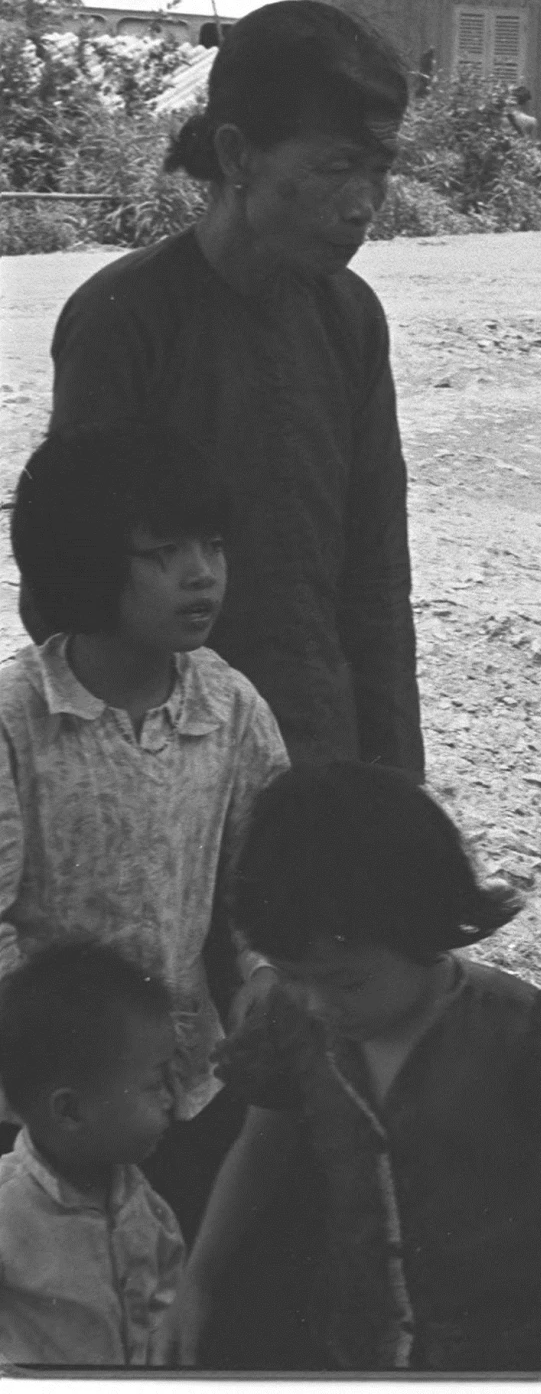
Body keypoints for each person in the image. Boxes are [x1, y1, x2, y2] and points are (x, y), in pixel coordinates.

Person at [43, 0, 424, 781]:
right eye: (334, 167)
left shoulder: (349, 319)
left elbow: (378, 576)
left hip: (318, 751)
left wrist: (395, 787)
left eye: (379, 169)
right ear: (238, 156)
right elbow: (67, 582)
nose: (364, 204)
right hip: (164, 771)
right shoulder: (126, 321)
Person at [165, 762, 541, 1371]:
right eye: (296, 979)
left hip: (516, 1355)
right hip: (360, 1354)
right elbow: (256, 1157)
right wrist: (198, 1282)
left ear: (420, 927)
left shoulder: (524, 1030)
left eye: (346, 982)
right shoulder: (291, 1026)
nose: (317, 1005)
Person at [0, 423, 288, 1239]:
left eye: (214, 544)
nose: (200, 574)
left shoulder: (228, 708)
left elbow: (265, 880)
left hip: (183, 1089)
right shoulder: (19, 718)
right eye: (163, 552)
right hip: (38, 1101)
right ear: (86, 565)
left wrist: (263, 975)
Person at [0, 940, 183, 1366]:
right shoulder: (7, 1211)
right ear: (71, 1110)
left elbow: (167, 1306)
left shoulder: (147, 1206)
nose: (174, 1097)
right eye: (155, 1083)